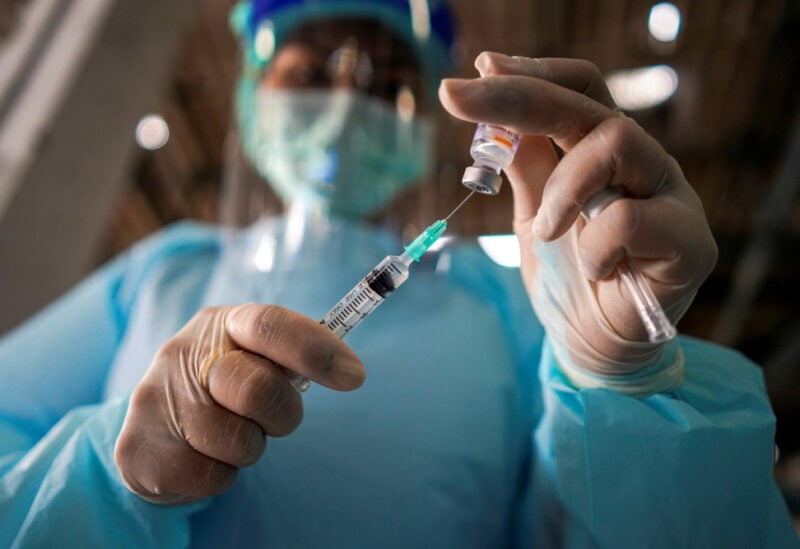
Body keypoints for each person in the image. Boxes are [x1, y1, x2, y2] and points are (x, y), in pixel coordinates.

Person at [0, 0, 797, 546]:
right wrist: (115, 470)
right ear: (250, 95)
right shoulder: (164, 271)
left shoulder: (514, 308)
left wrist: (622, 384)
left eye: (388, 84)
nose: (349, 100)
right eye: (309, 72)